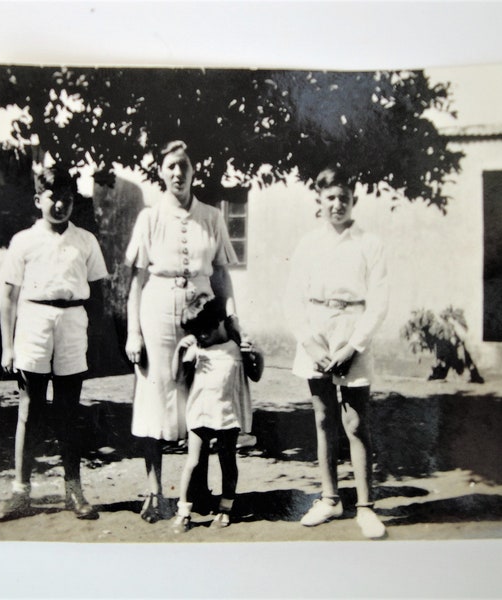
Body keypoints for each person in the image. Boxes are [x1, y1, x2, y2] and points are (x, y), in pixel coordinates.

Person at [124, 140, 241, 523]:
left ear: (194, 171)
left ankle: (200, 490)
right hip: (157, 312)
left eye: (184, 166)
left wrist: (233, 320)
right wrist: (133, 333)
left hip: (205, 317)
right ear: (160, 171)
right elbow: (137, 282)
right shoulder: (150, 218)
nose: (178, 172)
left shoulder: (211, 216)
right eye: (171, 166)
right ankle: (155, 491)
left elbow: (222, 273)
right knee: (156, 395)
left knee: (203, 397)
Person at [0, 164, 109, 522]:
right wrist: (7, 346)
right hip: (33, 323)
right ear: (37, 200)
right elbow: (9, 299)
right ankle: (20, 491)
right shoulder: (23, 241)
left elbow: (98, 295)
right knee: (29, 408)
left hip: (72, 323)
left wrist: (91, 333)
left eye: (67, 198)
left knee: (68, 411)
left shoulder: (85, 240)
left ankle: (73, 489)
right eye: (53, 198)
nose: (60, 205)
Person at [283, 166, 389, 539]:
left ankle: (365, 506)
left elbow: (378, 302)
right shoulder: (308, 244)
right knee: (324, 419)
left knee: (356, 423)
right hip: (316, 334)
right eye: (330, 197)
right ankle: (330, 499)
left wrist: (352, 346)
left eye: (343, 197)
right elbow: (293, 300)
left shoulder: (368, 243)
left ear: (353, 200)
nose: (337, 203)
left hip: (352, 333)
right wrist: (311, 343)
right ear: (320, 201)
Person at [170, 295, 263, 533]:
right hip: (200, 411)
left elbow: (256, 375)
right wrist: (178, 353)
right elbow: (177, 377)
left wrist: (258, 355)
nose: (201, 336)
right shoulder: (197, 350)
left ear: (219, 322)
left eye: (204, 331)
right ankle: (183, 511)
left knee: (227, 460)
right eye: (195, 332)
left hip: (227, 413)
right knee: (193, 461)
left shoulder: (237, 348)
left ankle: (225, 508)